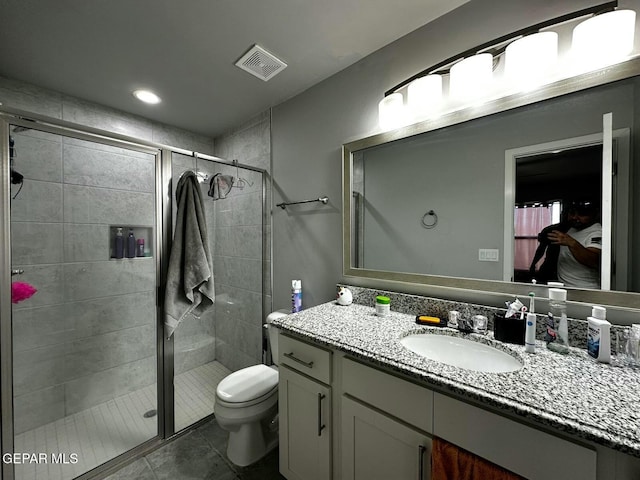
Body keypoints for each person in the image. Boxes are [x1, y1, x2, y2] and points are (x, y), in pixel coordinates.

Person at [547, 201, 602, 289]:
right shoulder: (573, 228)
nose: (575, 217)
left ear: (595, 214)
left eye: (582, 214)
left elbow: (594, 261)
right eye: (572, 213)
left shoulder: (596, 232)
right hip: (566, 287)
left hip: (584, 289)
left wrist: (572, 243)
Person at [529, 218, 569, 284]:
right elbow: (541, 249)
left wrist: (533, 264)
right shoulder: (551, 230)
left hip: (567, 266)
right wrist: (533, 264)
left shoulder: (579, 231)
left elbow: (541, 249)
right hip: (550, 264)